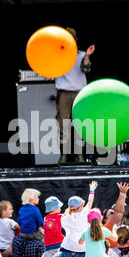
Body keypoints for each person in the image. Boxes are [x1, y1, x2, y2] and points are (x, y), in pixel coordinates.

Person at [55, 27, 95, 164]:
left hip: (79, 93)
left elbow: (86, 69)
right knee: (63, 125)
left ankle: (79, 155)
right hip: (63, 93)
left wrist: (88, 55)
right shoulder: (57, 54)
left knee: (80, 124)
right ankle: (64, 156)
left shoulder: (81, 54)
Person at [52, 181, 97, 257]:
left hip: (67, 248)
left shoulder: (64, 218)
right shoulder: (84, 213)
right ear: (81, 206)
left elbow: (64, 221)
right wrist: (92, 190)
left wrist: (66, 212)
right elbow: (90, 202)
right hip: (82, 249)